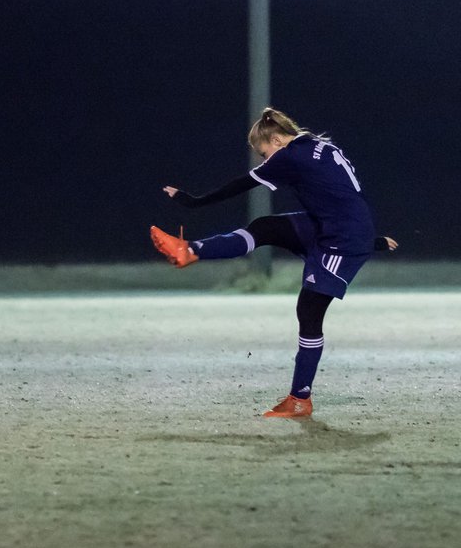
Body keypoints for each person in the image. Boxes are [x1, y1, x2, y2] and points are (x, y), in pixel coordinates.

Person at [150, 107, 397, 418]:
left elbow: (240, 185)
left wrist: (194, 201)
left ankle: (300, 398)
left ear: (278, 140)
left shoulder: (290, 155)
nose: (265, 160)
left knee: (308, 311)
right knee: (266, 227)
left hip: (341, 240)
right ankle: (190, 250)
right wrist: (369, 240)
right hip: (333, 226)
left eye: (264, 152)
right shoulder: (319, 146)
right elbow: (341, 194)